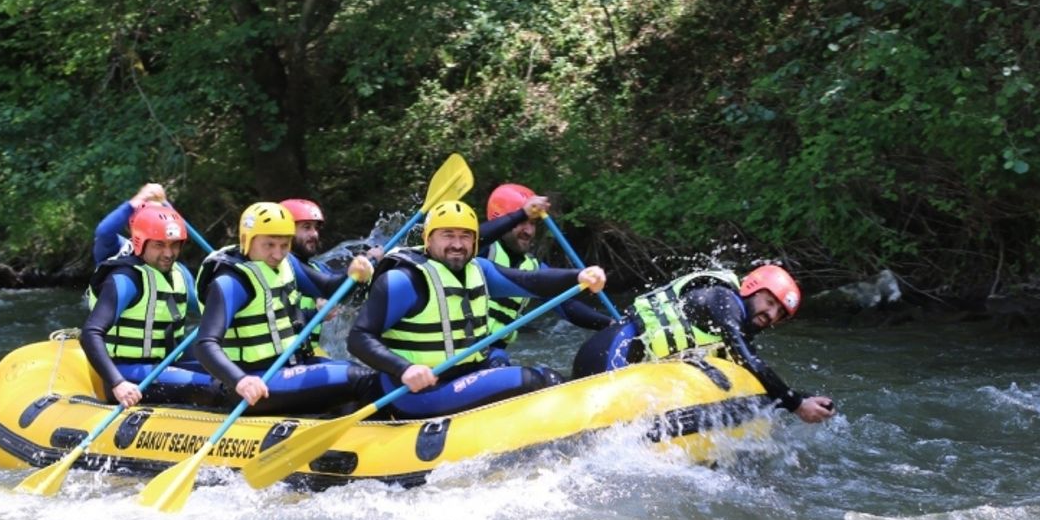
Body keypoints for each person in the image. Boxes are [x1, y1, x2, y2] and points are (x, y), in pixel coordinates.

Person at [348, 200, 607, 419]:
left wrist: (579, 276)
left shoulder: (480, 269)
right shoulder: (403, 280)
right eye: (448, 235)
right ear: (428, 239)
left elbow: (531, 282)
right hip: (417, 393)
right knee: (534, 380)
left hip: (464, 374)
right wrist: (403, 368)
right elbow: (359, 338)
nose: (458, 244)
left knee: (502, 360)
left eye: (465, 236)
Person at [572, 264, 836, 423]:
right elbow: (749, 360)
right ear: (751, 288)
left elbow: (756, 378)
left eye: (779, 313)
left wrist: (802, 396)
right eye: (769, 302)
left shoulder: (729, 328)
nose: (770, 315)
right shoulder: (722, 300)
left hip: (628, 371)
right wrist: (796, 405)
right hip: (608, 353)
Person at [193, 202, 380, 415]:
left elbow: (328, 288)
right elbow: (204, 344)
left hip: (292, 368)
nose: (278, 254)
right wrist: (241, 380)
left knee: (366, 377)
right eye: (269, 245)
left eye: (284, 245)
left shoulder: (287, 263)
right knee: (360, 378)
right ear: (247, 241)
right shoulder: (231, 281)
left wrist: (354, 275)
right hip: (256, 382)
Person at [81, 191, 219, 407]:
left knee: (233, 368)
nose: (168, 253)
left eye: (174, 244)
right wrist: (118, 383)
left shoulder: (180, 274)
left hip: (170, 360)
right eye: (159, 245)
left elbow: (211, 310)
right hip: (128, 373)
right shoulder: (126, 279)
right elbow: (90, 333)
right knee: (216, 386)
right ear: (140, 242)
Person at [479, 183, 614, 349]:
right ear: (501, 220)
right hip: (463, 352)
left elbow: (566, 304)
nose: (528, 231)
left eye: (532, 223)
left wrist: (609, 324)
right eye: (522, 222)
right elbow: (477, 237)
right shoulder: (479, 252)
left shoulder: (533, 266)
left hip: (494, 353)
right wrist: (521, 213)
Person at [279, 198, 385, 356]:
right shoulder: (283, 263)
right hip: (279, 360)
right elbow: (331, 289)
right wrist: (317, 313)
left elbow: (347, 290)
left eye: (316, 228)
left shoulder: (316, 268)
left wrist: (371, 265)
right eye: (306, 227)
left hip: (304, 354)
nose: (314, 234)